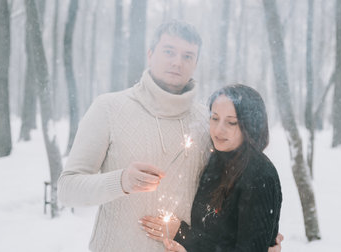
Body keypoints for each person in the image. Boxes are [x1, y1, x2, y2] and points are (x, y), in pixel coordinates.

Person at [57, 20, 283, 252]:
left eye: (187, 56)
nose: (177, 62)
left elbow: (233, 194)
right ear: (150, 54)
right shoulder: (109, 109)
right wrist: (121, 181)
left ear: (195, 63)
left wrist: (261, 236)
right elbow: (67, 189)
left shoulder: (207, 122)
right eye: (169, 51)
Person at [140, 84, 282, 252]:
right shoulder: (215, 162)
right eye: (215, 118)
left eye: (231, 122)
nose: (218, 129)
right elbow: (212, 234)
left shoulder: (260, 176)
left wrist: (180, 233)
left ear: (250, 126)